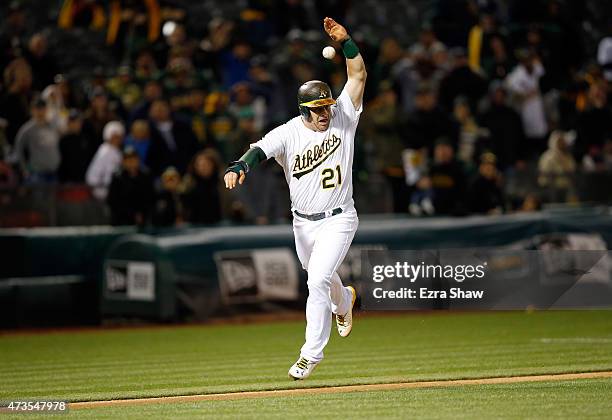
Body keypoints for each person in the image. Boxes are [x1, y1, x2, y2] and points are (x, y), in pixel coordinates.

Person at [223, 17, 366, 380]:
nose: (324, 112)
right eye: (317, 108)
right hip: (303, 222)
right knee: (320, 276)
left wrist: (347, 42)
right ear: (304, 110)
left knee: (316, 279)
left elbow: (359, 75)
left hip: (339, 216)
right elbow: (259, 149)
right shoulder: (288, 132)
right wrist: (240, 166)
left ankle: (310, 355)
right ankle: (345, 301)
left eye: (326, 105)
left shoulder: (343, 117)